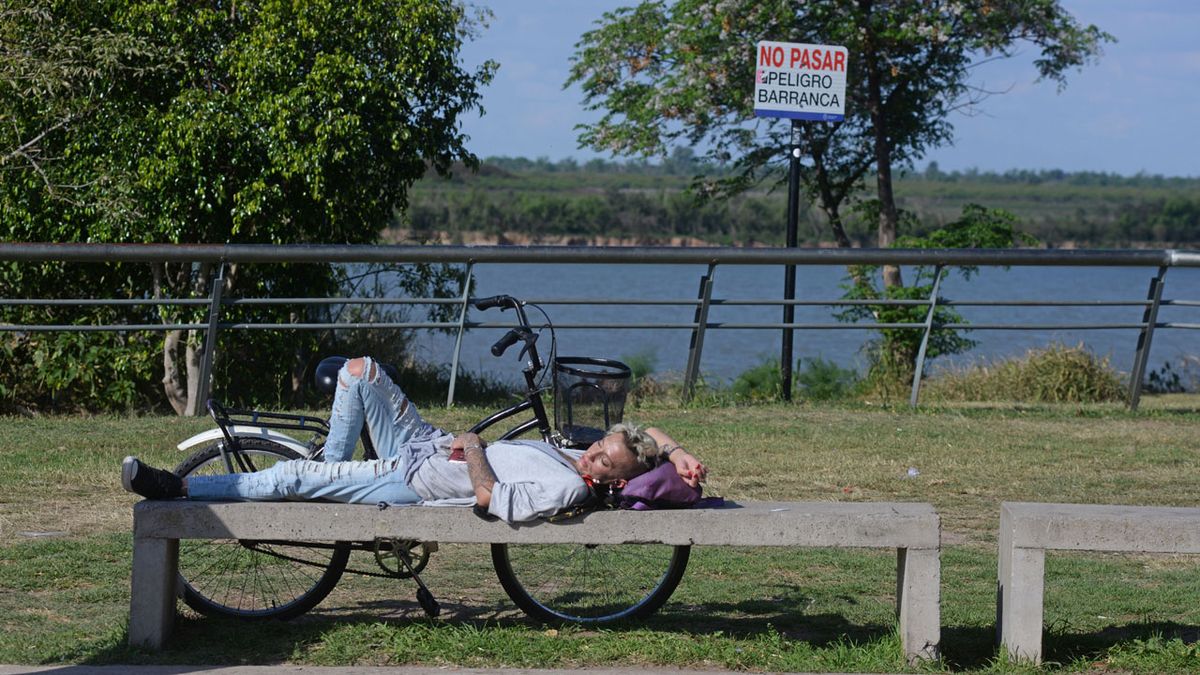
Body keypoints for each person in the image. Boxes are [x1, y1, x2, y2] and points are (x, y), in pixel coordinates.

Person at [122, 356, 706, 523]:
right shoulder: (585, 456)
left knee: (289, 478)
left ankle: (178, 488)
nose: (596, 453)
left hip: (412, 477)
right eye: (602, 444)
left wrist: (475, 449)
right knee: (360, 370)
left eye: (607, 460)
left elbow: (488, 501)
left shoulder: (566, 488)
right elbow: (646, 432)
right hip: (423, 441)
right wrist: (677, 451)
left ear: (617, 481)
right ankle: (328, 467)